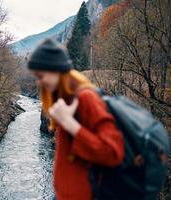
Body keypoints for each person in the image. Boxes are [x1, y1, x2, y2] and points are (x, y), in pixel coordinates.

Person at [27, 38, 125, 200]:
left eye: (40, 75)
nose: (39, 82)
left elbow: (112, 153)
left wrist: (69, 123)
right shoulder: (66, 101)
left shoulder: (87, 98)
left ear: (56, 70)